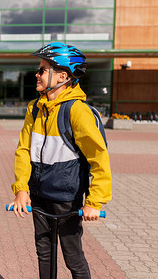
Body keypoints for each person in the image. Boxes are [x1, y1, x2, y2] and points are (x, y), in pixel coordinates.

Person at [8, 42, 112, 278]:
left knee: (73, 257)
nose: (37, 74)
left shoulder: (77, 111)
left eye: (43, 69)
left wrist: (95, 202)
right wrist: (21, 189)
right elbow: (23, 150)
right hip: (38, 195)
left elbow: (99, 158)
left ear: (62, 76)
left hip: (67, 198)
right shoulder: (35, 109)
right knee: (44, 254)